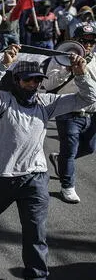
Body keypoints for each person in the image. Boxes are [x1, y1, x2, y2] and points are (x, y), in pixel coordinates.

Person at [0, 45, 96, 279]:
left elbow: (88, 98)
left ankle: (36, 275)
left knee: (36, 231)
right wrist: (3, 64)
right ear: (16, 80)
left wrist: (80, 73)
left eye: (37, 80)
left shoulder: (46, 102)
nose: (33, 85)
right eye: (28, 80)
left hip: (34, 176)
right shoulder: (1, 101)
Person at [47, 23, 96, 204]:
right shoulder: (60, 57)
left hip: (92, 112)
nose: (89, 45)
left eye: (93, 41)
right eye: (85, 40)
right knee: (69, 150)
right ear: (75, 40)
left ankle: (59, 160)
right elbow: (49, 84)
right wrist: (67, 69)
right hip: (68, 111)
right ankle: (67, 186)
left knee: (89, 148)